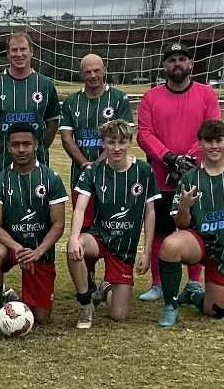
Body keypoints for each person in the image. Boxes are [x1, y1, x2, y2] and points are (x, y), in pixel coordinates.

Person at [155, 119, 224, 328]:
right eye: (208, 141)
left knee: (218, 310)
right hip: (198, 242)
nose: (214, 146)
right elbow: (181, 224)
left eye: (219, 140)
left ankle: (193, 295)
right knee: (170, 246)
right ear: (200, 144)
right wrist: (185, 206)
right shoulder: (189, 178)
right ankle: (171, 306)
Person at [135, 41, 223, 302]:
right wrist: (169, 157)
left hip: (196, 176)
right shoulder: (151, 97)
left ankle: (194, 282)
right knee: (160, 230)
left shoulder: (206, 94)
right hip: (161, 176)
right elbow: (144, 133)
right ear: (164, 65)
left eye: (182, 59)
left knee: (196, 229)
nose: (177, 64)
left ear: (190, 64)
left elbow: (213, 129)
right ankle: (159, 283)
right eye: (172, 60)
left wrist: (190, 158)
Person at [67, 118, 158, 329]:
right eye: (111, 142)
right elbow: (80, 208)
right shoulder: (93, 171)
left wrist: (146, 252)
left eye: (122, 142)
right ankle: (85, 303)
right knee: (76, 246)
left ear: (129, 142)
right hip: (99, 237)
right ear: (103, 143)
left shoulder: (144, 171)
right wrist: (73, 238)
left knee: (119, 315)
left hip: (124, 249)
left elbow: (150, 213)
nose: (116, 148)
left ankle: (107, 287)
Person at [0, 121, 67, 334]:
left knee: (41, 319)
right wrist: (17, 247)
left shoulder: (51, 179)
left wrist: (38, 252)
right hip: (12, 246)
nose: (21, 149)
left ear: (36, 144)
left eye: (26, 144)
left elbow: (58, 224)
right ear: (8, 147)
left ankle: (12, 297)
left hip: (40, 250)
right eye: (16, 144)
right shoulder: (0, 181)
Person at [0, 32, 61, 180]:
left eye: (23, 49)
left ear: (31, 52)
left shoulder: (45, 84)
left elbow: (52, 124)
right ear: (8, 54)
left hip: (37, 161)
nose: (19, 54)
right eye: (14, 50)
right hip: (2, 162)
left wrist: (39, 145)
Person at [59, 54, 134, 195]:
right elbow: (66, 138)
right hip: (80, 173)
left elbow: (125, 135)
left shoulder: (119, 98)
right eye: (88, 72)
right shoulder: (71, 102)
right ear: (81, 74)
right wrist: (85, 165)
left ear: (104, 70)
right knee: (82, 215)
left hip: (114, 171)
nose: (93, 75)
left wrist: (97, 165)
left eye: (97, 70)